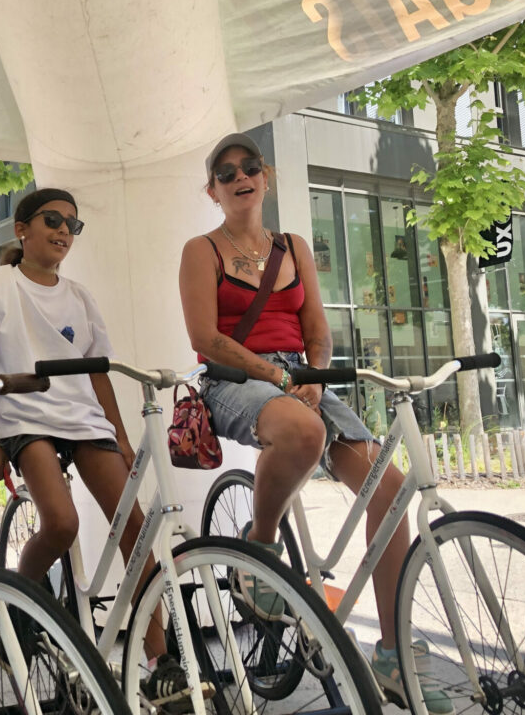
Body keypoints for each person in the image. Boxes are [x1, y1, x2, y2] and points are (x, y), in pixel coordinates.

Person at [178, 133, 452, 715]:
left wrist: (315, 374)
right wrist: (279, 381)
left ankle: (393, 654)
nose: (240, 176)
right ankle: (261, 547)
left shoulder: (295, 247)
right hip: (233, 379)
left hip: (301, 375)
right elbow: (205, 339)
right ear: (213, 191)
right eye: (226, 174)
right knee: (303, 433)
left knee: (391, 489)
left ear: (267, 176)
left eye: (250, 166)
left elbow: (318, 331)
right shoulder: (201, 250)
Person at [0, 188, 208, 708]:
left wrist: (118, 434)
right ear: (21, 229)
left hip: (83, 420)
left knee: (134, 525)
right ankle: (19, 598)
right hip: (25, 418)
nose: (64, 231)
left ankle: (159, 660)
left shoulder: (79, 295)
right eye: (53, 220)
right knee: (62, 523)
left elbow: (99, 373)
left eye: (73, 226)